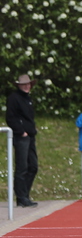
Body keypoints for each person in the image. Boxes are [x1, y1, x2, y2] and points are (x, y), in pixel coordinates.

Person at [5, 74, 39, 207]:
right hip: (21, 136)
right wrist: (21, 131)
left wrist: (32, 130)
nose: (26, 86)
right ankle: (21, 196)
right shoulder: (14, 98)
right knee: (22, 167)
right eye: (24, 84)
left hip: (30, 135)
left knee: (33, 166)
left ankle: (24, 194)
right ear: (19, 85)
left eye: (28, 84)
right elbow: (10, 118)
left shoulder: (28, 99)